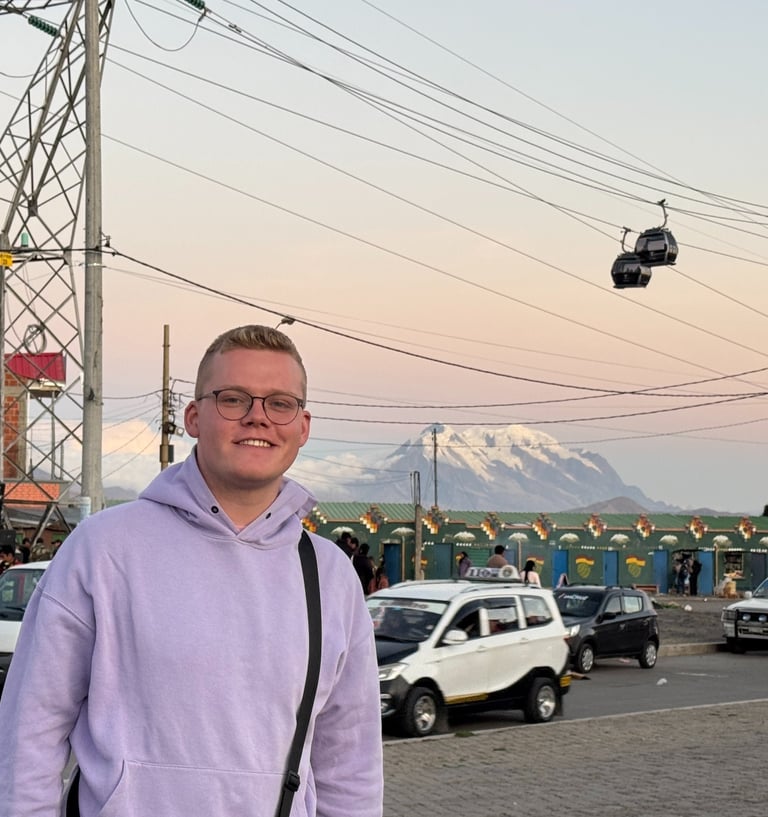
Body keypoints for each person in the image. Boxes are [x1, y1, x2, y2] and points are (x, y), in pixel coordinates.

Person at [0, 324, 383, 817]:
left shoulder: (329, 575)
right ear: (194, 417)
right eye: (234, 399)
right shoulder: (104, 549)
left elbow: (349, 761)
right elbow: (31, 728)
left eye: (279, 403)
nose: (257, 418)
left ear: (303, 427)